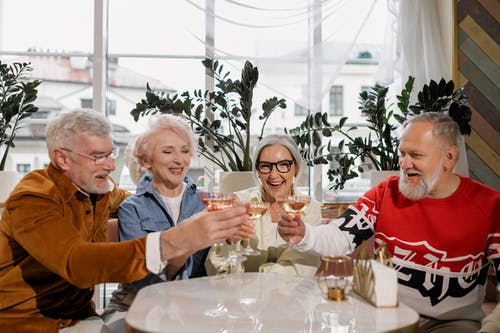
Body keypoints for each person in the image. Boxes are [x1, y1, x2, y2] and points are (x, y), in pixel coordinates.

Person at [0, 109, 248, 333]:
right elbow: (75, 262)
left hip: (79, 319)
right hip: (25, 322)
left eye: (111, 154)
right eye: (98, 156)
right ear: (63, 159)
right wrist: (177, 240)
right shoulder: (32, 198)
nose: (110, 165)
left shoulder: (101, 190)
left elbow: (144, 202)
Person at [278, 112, 500, 332]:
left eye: (416, 155)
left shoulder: (490, 206)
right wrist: (303, 233)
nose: (404, 163)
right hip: (386, 314)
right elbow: (339, 237)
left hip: (451, 323)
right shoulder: (385, 193)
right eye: (402, 153)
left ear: (449, 158)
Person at [101, 114, 211, 331]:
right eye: (168, 151)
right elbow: (143, 283)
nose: (179, 159)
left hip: (191, 307)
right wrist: (180, 251)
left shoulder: (205, 204)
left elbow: (213, 270)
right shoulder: (131, 209)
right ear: (146, 160)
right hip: (134, 304)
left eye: (185, 151)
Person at [206, 134, 322, 276]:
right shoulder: (239, 202)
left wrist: (254, 277)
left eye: (283, 165)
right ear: (258, 171)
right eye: (266, 166)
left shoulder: (311, 208)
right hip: (243, 295)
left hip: (293, 294)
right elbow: (215, 269)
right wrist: (229, 242)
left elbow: (302, 269)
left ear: (295, 168)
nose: (274, 175)